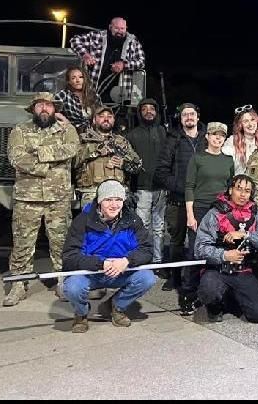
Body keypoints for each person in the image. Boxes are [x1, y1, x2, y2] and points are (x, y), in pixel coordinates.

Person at [4, 92, 81, 307]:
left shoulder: (67, 130)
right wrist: (48, 166)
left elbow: (72, 149)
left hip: (58, 198)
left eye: (49, 105)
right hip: (27, 198)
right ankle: (18, 285)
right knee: (22, 244)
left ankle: (63, 282)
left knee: (61, 243)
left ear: (55, 109)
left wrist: (38, 152)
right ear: (33, 108)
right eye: (40, 105)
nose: (45, 109)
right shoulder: (20, 130)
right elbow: (16, 158)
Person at [61, 180, 156, 333]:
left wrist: (127, 261)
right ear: (99, 201)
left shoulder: (132, 220)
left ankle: (116, 306)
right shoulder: (82, 221)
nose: (114, 205)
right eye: (108, 200)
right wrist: (100, 263)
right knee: (72, 287)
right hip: (91, 272)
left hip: (120, 271)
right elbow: (70, 257)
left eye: (118, 200)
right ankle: (81, 313)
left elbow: (147, 249)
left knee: (147, 278)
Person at [194, 174, 258, 323]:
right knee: (209, 290)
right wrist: (224, 255)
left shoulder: (257, 215)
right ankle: (215, 307)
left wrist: (245, 235)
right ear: (230, 190)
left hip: (245, 271)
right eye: (239, 189)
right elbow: (199, 248)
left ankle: (233, 299)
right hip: (218, 269)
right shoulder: (215, 214)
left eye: (247, 191)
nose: (243, 194)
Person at [180, 122, 235, 315]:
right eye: (214, 135)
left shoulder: (228, 160)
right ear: (207, 137)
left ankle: (214, 294)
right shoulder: (198, 158)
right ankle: (188, 293)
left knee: (219, 250)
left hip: (220, 210)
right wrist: (190, 215)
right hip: (200, 209)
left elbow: (231, 189)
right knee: (195, 251)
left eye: (221, 135)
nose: (217, 138)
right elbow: (189, 186)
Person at [156, 103, 206, 290]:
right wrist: (182, 188)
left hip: (200, 201)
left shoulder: (207, 138)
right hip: (177, 200)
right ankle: (174, 277)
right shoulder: (173, 139)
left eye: (192, 114)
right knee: (176, 241)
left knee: (199, 240)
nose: (189, 117)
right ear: (181, 118)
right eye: (185, 115)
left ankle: (196, 277)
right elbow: (161, 172)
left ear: (198, 117)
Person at [126, 99, 168, 266]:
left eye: (152, 108)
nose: (149, 111)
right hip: (142, 188)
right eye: (145, 109)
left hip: (162, 188)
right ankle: (141, 260)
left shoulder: (164, 132)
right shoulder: (132, 135)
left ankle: (158, 261)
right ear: (140, 113)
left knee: (159, 228)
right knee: (142, 225)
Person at [73, 106, 142, 207]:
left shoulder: (122, 142)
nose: (106, 119)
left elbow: (138, 166)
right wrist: (96, 151)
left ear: (113, 121)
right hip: (91, 194)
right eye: (101, 116)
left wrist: (123, 164)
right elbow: (73, 162)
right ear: (94, 120)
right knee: (90, 222)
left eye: (109, 116)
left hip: (117, 193)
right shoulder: (83, 140)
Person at [69, 17, 145, 104]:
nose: (119, 31)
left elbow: (141, 61)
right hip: (94, 87)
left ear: (126, 28)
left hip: (120, 92)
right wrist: (85, 55)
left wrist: (124, 65)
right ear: (110, 27)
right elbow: (74, 40)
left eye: (122, 28)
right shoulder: (97, 36)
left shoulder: (133, 41)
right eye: (116, 28)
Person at [53, 66, 102, 132]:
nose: (78, 80)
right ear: (69, 81)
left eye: (80, 77)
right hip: (71, 133)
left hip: (93, 133)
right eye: (73, 78)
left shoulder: (94, 96)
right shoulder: (63, 95)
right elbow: (52, 113)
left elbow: (101, 115)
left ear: (85, 79)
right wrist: (65, 121)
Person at [223, 105, 258, 175]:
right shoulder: (232, 141)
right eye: (246, 121)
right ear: (240, 125)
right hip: (238, 182)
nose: (250, 124)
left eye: (252, 119)